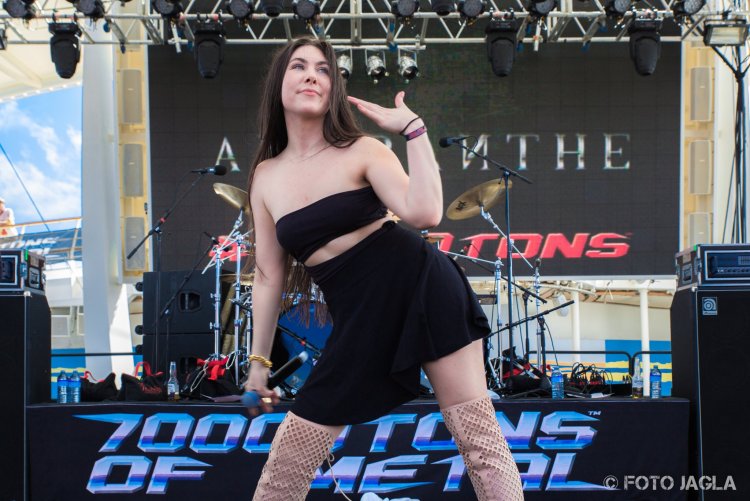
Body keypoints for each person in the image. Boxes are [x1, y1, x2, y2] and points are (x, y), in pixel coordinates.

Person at [243, 36, 524, 501]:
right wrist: (259, 363)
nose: (312, 75)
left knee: (479, 442)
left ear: (333, 89)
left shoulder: (363, 150)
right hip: (360, 317)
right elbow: (268, 275)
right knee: (288, 462)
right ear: (279, 83)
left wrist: (414, 130)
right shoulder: (266, 176)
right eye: (299, 66)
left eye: (323, 69)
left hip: (422, 288)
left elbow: (425, 213)